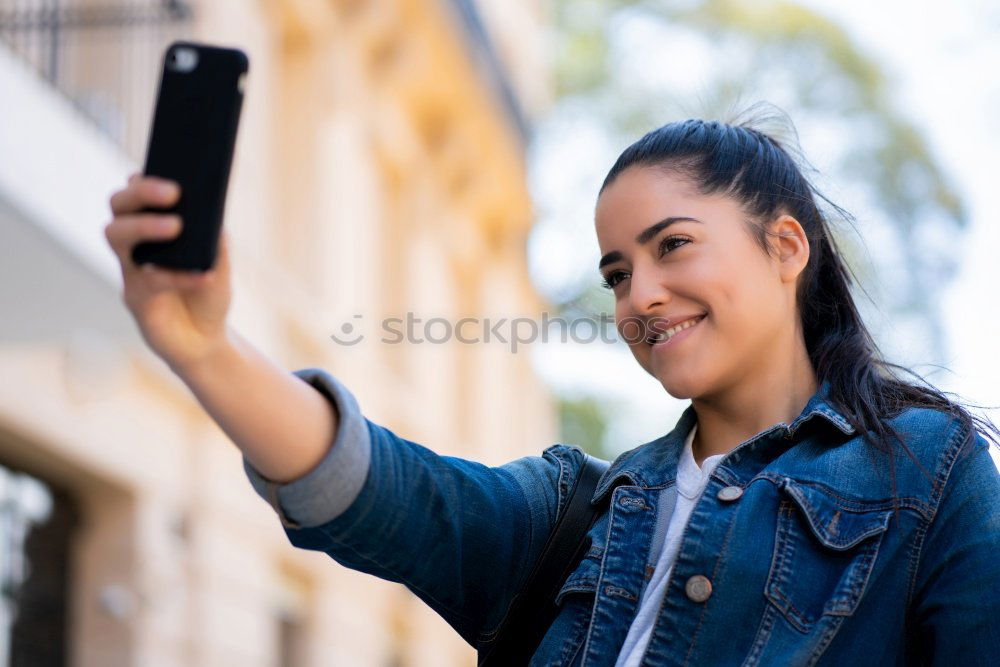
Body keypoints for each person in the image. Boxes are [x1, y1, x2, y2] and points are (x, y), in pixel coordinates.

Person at [104, 112, 1000, 666]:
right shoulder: (577, 509)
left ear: (785, 248)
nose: (640, 294)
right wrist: (203, 346)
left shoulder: (929, 469)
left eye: (673, 244)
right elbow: (383, 488)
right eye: (616, 272)